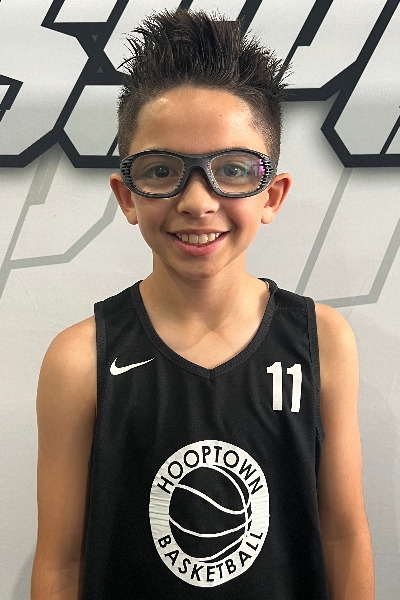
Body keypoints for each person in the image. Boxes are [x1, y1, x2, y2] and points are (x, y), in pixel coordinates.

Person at [31, 7, 374, 599]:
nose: (197, 201)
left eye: (232, 169)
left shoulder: (322, 341)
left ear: (272, 195)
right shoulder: (79, 359)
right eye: (162, 170)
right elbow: (61, 563)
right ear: (127, 196)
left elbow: (343, 534)